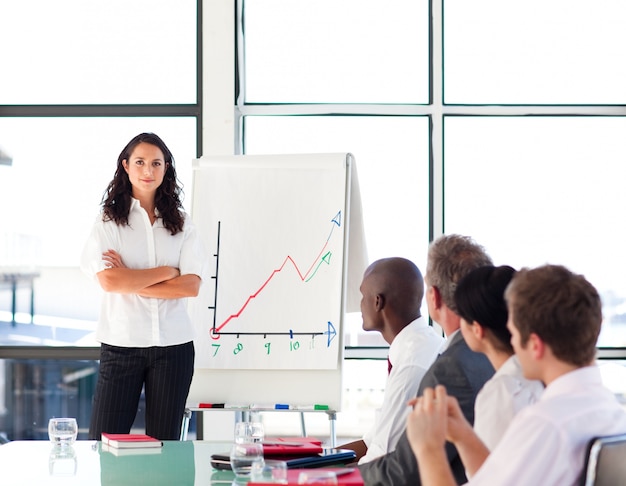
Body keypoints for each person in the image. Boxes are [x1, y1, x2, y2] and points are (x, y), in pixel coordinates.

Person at [407, 264, 626, 486]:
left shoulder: (545, 424)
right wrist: (464, 436)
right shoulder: (613, 414)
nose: (511, 341)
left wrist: (428, 449)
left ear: (534, 345)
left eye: (513, 332)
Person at [81, 132, 208, 441]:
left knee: (166, 445)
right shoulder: (108, 221)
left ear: (166, 169)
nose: (148, 171)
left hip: (174, 348)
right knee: (105, 443)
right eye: (140, 162)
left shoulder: (182, 223)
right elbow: (110, 281)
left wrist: (132, 278)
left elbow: (190, 286)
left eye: (156, 163)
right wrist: (166, 271)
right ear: (126, 166)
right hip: (121, 344)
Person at [358, 234, 495, 486]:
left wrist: (334, 477)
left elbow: (402, 472)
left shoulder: (450, 368)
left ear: (434, 297)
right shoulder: (485, 354)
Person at [340, 257, 445, 464]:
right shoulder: (420, 345)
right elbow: (373, 441)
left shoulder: (412, 365)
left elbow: (381, 457)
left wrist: (316, 475)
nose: (360, 304)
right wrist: (315, 458)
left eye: (362, 296)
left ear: (378, 301)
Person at [454, 265, 543, 450]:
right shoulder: (541, 375)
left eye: (461, 316)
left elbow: (487, 474)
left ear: (477, 330)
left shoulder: (501, 391)